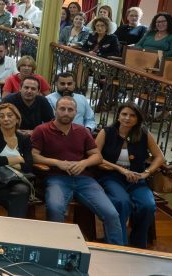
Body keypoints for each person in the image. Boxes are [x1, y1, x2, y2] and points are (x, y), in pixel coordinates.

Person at [31, 96, 126, 246]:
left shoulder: (82, 131)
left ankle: (116, 252)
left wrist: (83, 163)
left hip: (84, 179)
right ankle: (56, 248)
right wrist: (57, 163)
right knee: (55, 208)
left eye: (70, 110)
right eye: (62, 109)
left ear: (76, 112)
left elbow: (97, 156)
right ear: (55, 110)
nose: (66, 113)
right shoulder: (42, 130)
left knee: (111, 213)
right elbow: (33, 156)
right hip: (56, 178)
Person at [96, 102, 165, 248]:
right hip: (111, 177)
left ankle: (138, 243)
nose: (127, 118)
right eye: (124, 114)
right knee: (122, 202)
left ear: (138, 119)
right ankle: (118, 244)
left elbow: (160, 157)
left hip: (136, 178)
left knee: (148, 205)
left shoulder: (144, 134)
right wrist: (121, 169)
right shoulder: (106, 132)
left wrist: (146, 173)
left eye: (132, 115)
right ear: (118, 116)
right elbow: (95, 157)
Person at [0, 104, 35, 218]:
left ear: (17, 118)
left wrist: (5, 162)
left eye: (10, 115)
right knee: (19, 198)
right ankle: (16, 229)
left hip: (17, 179)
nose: (6, 119)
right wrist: (19, 159)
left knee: (22, 190)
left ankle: (12, 228)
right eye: (2, 116)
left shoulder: (24, 138)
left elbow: (29, 165)